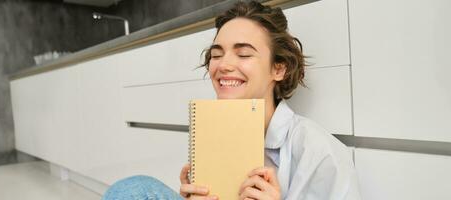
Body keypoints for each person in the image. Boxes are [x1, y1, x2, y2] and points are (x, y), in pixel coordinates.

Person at [103, 1, 360, 200]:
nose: (223, 65)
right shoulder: (214, 133)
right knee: (131, 190)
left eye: (244, 54)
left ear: (278, 69)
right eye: (217, 55)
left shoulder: (319, 152)